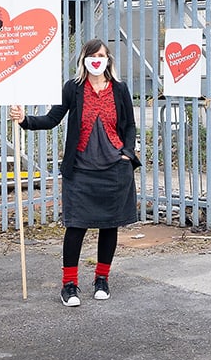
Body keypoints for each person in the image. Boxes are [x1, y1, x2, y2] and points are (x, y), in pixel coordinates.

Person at [13, 39, 140, 307]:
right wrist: (25, 119)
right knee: (76, 226)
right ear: (83, 60)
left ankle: (101, 279)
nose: (97, 60)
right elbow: (52, 119)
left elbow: (129, 125)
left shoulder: (120, 89)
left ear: (109, 60)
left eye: (101, 55)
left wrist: (127, 153)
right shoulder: (73, 89)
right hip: (80, 169)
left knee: (109, 225)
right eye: (92, 56)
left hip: (115, 169)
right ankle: (69, 285)